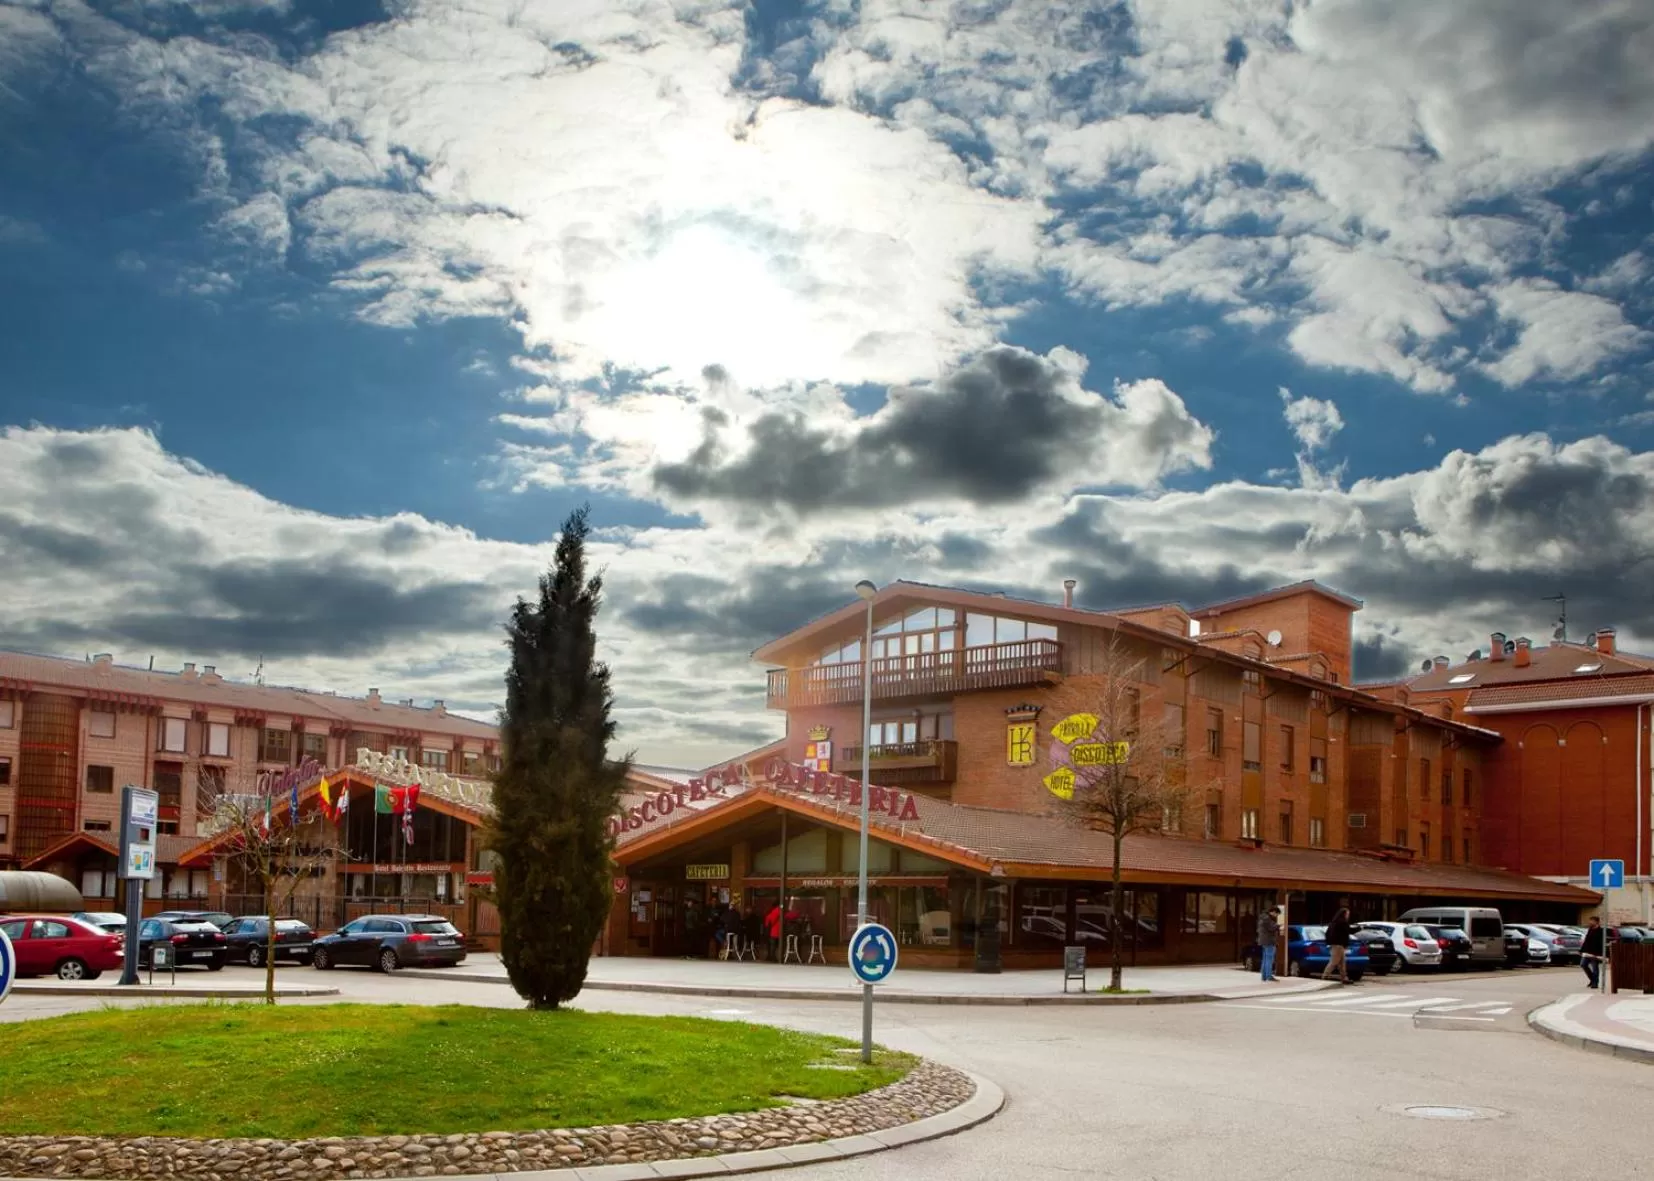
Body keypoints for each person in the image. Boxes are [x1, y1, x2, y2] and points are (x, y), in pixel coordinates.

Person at [1322, 907, 1353, 984]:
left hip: (1335, 944)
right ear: (1344, 914)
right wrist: (1359, 929)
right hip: (1339, 945)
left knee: (1342, 962)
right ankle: (1325, 976)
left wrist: (1329, 942)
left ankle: (1344, 978)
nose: (1348, 916)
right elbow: (1348, 931)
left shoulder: (1333, 923)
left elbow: (1327, 934)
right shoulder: (1342, 922)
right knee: (1334, 961)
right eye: (1347, 914)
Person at [1580, 915, 1606, 989]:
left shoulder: (1601, 931)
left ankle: (1595, 983)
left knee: (1595, 967)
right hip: (1587, 952)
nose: (1590, 922)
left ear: (1596, 922)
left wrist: (1601, 954)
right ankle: (1592, 979)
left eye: (1591, 921)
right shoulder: (1590, 929)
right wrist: (1581, 950)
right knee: (1583, 964)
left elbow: (1602, 943)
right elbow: (1586, 940)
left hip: (1596, 953)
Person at [1257, 906, 1282, 982]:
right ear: (1273, 912)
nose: (1276, 916)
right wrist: (1279, 926)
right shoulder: (1267, 919)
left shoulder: (1263, 917)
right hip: (1269, 941)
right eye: (1277, 914)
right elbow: (1272, 928)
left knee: (1265, 959)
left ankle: (1264, 976)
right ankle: (1268, 976)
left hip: (1264, 941)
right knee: (1269, 959)